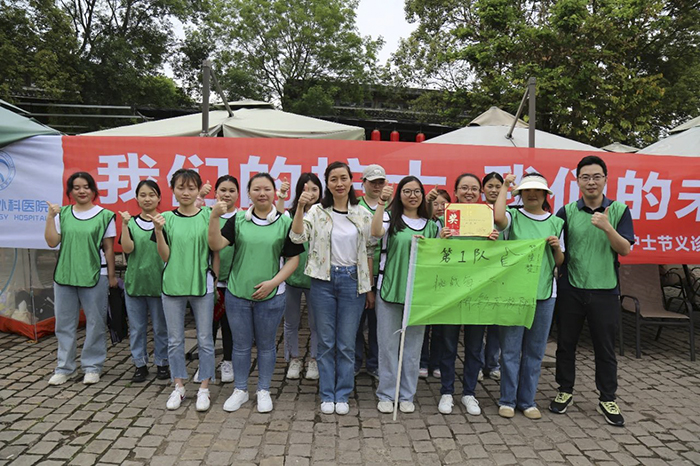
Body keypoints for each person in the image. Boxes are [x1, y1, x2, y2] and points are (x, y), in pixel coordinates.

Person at [549, 156, 634, 427]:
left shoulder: (619, 210)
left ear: (606, 179)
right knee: (565, 345)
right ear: (577, 181)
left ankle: (607, 397)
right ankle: (565, 390)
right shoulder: (566, 212)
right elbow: (557, 249)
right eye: (585, 177)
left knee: (605, 348)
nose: (591, 182)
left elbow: (625, 249)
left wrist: (607, 227)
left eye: (596, 176)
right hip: (571, 287)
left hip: (606, 290)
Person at [208, 173, 303, 413]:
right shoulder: (239, 220)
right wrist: (213, 217)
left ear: (275, 193)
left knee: (266, 345)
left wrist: (273, 283)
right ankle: (240, 389)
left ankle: (263, 390)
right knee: (240, 345)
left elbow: (293, 260)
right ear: (249, 193)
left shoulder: (284, 221)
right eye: (257, 189)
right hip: (238, 294)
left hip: (271, 296)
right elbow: (216, 245)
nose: (262, 193)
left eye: (267, 189)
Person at [290, 161, 376, 415]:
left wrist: (368, 286)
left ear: (351, 181)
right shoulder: (316, 212)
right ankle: (327, 393)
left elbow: (372, 246)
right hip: (323, 282)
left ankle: (343, 393)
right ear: (327, 184)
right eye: (333, 179)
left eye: (343, 178)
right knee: (326, 341)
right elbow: (297, 237)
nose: (339, 184)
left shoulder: (362, 213)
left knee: (347, 342)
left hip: (352, 281)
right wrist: (300, 207)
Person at [493, 172, 564, 419]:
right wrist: (505, 186)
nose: (532, 194)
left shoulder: (556, 223)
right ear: (520, 194)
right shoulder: (513, 216)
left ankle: (528, 400)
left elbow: (560, 261)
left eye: (537, 191)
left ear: (545, 195)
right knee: (510, 350)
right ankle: (507, 400)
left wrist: (556, 248)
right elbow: (498, 217)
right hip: (513, 292)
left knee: (535, 351)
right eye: (526, 190)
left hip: (544, 294)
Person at [427, 173, 499, 416]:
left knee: (475, 346)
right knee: (448, 344)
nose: (469, 192)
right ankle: (446, 391)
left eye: (474, 188)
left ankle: (469, 393)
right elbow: (432, 257)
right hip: (450, 292)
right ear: (455, 192)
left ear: (480, 193)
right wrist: (440, 239)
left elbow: (495, 260)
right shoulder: (442, 221)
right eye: (464, 188)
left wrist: (494, 243)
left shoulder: (487, 221)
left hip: (478, 292)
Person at [371, 176, 440, 414]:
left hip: (418, 295)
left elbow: (439, 257)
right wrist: (381, 203)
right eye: (407, 191)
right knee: (388, 346)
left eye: (417, 191)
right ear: (399, 195)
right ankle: (386, 393)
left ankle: (407, 394)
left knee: (413, 348)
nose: (413, 195)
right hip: (390, 290)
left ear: (423, 195)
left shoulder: (432, 226)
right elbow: (375, 231)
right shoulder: (392, 219)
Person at [151, 169, 217, 412]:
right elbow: (164, 255)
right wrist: (158, 231)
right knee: (175, 340)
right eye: (181, 187)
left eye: (191, 188)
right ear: (173, 190)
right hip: (172, 285)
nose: (186, 192)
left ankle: (204, 389)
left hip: (202, 285)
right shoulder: (164, 218)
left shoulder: (209, 215)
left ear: (198, 189)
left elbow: (215, 246)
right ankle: (178, 386)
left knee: (205, 340)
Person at [45, 172, 117, 386]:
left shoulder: (105, 215)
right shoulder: (62, 214)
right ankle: (64, 368)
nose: (82, 191)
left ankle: (92, 366)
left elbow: (109, 249)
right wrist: (50, 217)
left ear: (94, 190)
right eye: (76, 187)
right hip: (65, 275)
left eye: (86, 187)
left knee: (95, 322)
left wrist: (112, 276)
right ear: (70, 192)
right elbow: (51, 242)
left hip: (95, 275)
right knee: (64, 324)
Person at [119, 180, 169, 383]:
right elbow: (127, 249)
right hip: (135, 284)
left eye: (151, 194)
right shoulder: (130, 223)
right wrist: (124, 225)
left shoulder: (165, 221)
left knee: (160, 327)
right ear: (136, 198)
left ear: (159, 198)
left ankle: (162, 363)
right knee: (137, 328)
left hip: (159, 284)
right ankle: (139, 364)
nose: (147, 198)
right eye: (143, 194)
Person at [277, 173, 323, 380]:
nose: (311, 194)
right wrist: (281, 197)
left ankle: (314, 359)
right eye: (307, 189)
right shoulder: (290, 214)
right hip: (292, 278)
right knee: (291, 322)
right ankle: (293, 358)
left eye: (315, 189)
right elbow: (277, 222)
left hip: (316, 279)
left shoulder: (325, 214)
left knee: (316, 324)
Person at [355, 164, 385, 379]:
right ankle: (356, 362)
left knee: (377, 323)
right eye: (372, 181)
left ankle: (374, 363)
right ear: (362, 183)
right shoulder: (354, 207)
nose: (377, 185)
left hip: (383, 271)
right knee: (356, 321)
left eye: (380, 181)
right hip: (356, 271)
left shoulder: (391, 206)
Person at [419, 189, 451, 379]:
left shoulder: (453, 224)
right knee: (423, 324)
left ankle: (436, 362)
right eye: (435, 203)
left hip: (445, 281)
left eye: (444, 204)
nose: (439, 208)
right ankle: (422, 361)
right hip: (426, 280)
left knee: (440, 327)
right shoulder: (424, 224)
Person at [479, 172, 505, 382]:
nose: (494, 190)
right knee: (479, 321)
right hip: (479, 273)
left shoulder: (510, 213)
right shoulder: (475, 211)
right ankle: (478, 364)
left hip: (503, 274)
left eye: (498, 186)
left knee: (497, 323)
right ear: (483, 189)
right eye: (490, 186)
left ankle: (493, 363)